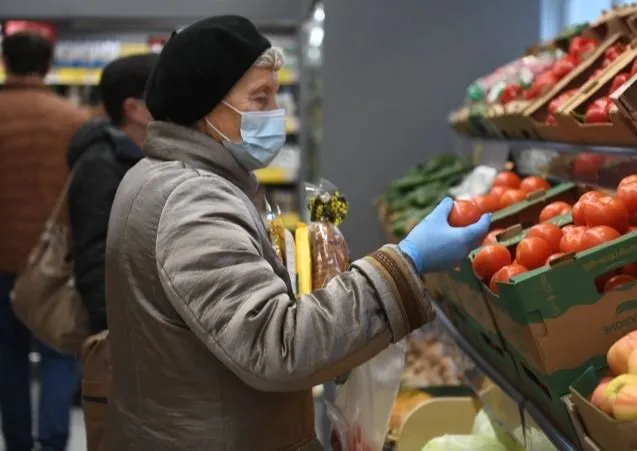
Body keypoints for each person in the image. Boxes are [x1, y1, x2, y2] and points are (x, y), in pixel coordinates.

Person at [103, 16, 491, 451]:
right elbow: (277, 347)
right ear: (203, 107)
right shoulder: (193, 202)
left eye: (276, 93)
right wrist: (406, 262)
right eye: (260, 97)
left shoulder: (165, 176)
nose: (275, 110)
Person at [0, 32, 90, 451]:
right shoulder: (72, 120)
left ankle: (16, 442)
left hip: (0, 260)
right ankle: (53, 442)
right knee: (58, 353)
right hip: (56, 260)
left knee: (7, 358)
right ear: (50, 64)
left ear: (5, 61)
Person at [66, 53, 157, 451]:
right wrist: (114, 338)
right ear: (133, 108)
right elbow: (96, 258)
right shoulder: (102, 164)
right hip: (120, 338)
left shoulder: (133, 157)